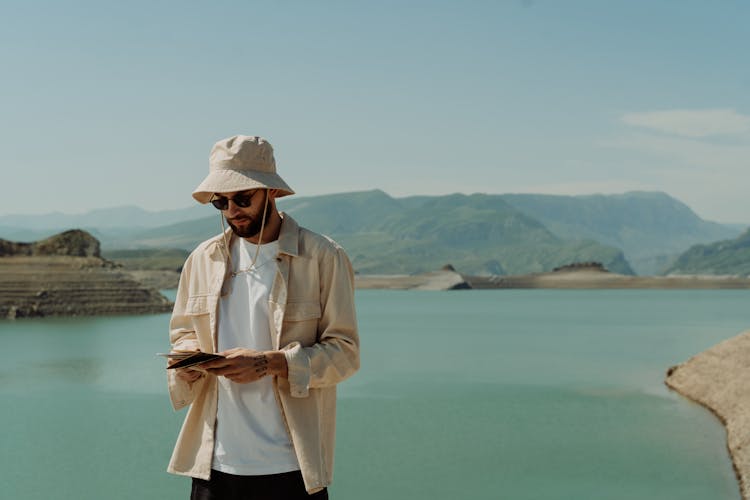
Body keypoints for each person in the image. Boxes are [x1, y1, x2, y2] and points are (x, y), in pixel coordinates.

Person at [166, 135, 360, 499]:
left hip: (290, 469)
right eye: (220, 202)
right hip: (214, 467)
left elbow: (346, 353)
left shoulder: (322, 257)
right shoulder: (201, 260)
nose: (232, 210)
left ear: (270, 192)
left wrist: (270, 363)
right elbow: (182, 335)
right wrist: (189, 361)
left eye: (242, 198)